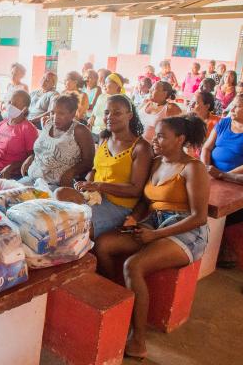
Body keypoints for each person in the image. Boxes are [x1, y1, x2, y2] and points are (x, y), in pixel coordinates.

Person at [95, 115, 209, 360]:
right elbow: (146, 201)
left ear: (180, 139)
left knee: (133, 265)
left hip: (185, 229)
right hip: (154, 221)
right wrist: (134, 218)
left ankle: (138, 339)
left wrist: (156, 235)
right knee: (103, 244)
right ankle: (121, 305)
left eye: (160, 136)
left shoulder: (192, 168)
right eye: (154, 134)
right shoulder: (157, 163)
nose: (154, 140)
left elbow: (200, 217)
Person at [56, 95, 153, 238]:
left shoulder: (140, 147)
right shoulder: (104, 137)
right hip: (95, 196)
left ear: (130, 115)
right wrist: (87, 184)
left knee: (74, 228)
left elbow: (135, 190)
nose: (110, 117)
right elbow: (95, 169)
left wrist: (98, 186)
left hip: (118, 206)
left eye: (117, 113)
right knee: (60, 193)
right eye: (107, 112)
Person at [201, 94, 243, 268]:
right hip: (213, 173)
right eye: (232, 106)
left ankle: (223, 248)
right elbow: (207, 147)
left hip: (235, 180)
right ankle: (211, 248)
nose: (231, 110)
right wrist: (206, 167)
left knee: (228, 212)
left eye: (236, 107)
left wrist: (223, 175)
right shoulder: (224, 123)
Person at [21, 94, 95, 188]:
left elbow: (89, 161)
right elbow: (43, 148)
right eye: (53, 112)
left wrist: (71, 172)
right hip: (33, 178)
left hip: (57, 185)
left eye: (61, 113)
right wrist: (31, 158)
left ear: (72, 113)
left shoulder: (80, 131)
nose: (55, 117)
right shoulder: (49, 124)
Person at [0, 90, 39, 179]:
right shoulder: (2, 123)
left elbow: (32, 157)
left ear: (24, 109)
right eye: (10, 102)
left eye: (15, 104)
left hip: (10, 175)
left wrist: (11, 167)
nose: (10, 106)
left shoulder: (28, 129)